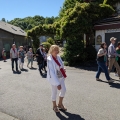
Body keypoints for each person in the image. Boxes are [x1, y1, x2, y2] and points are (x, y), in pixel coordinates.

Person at [47, 45, 67, 113]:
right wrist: (57, 83)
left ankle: (60, 104)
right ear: (51, 51)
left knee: (63, 90)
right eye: (55, 50)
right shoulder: (49, 59)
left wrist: (63, 68)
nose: (57, 51)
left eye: (57, 50)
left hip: (61, 76)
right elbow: (51, 73)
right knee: (54, 92)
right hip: (54, 78)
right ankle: (54, 106)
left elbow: (61, 64)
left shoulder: (58, 57)